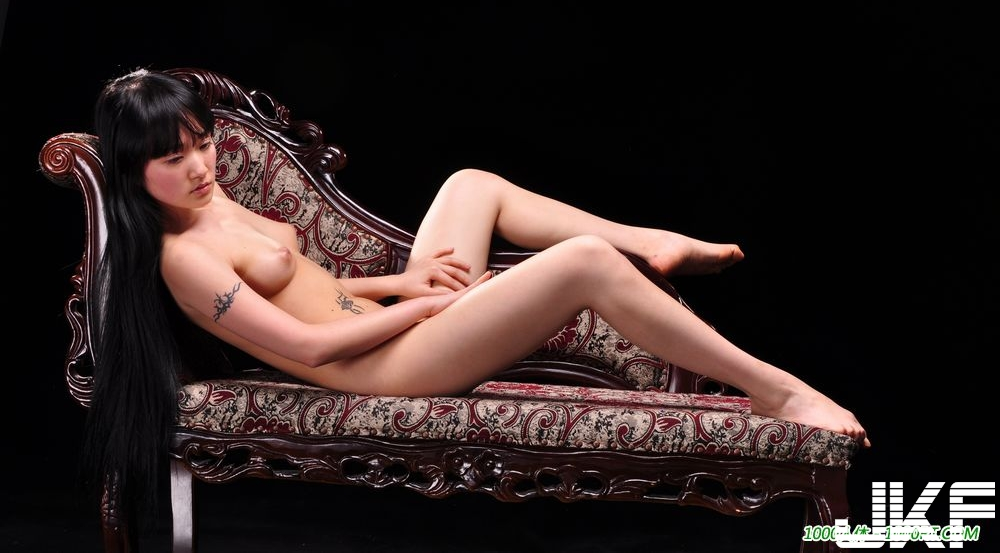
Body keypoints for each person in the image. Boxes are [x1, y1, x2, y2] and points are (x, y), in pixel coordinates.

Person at [84, 67, 868, 526]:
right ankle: (776, 390)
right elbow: (308, 346)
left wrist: (401, 284)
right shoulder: (183, 258)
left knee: (471, 184)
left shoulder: (211, 199)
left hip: (392, 323)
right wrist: (423, 310)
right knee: (581, 264)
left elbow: (304, 289)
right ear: (131, 170)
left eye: (201, 143)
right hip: (387, 368)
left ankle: (653, 240)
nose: (198, 166)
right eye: (171, 159)